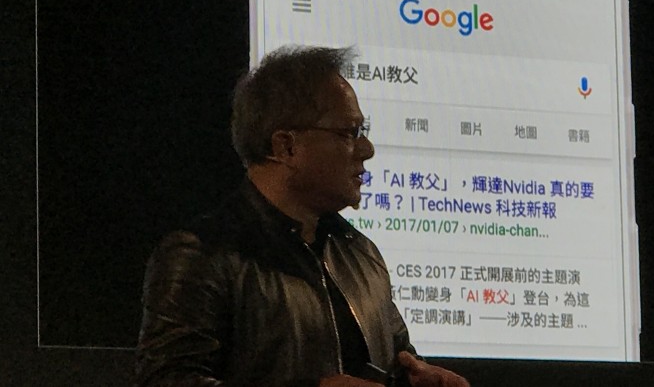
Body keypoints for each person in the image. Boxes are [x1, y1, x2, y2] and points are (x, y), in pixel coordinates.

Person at [136, 45, 469, 387]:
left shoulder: (360, 254)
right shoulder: (201, 254)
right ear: (286, 146)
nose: (367, 149)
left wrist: (419, 380)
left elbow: (396, 363)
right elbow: (165, 381)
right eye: (348, 133)